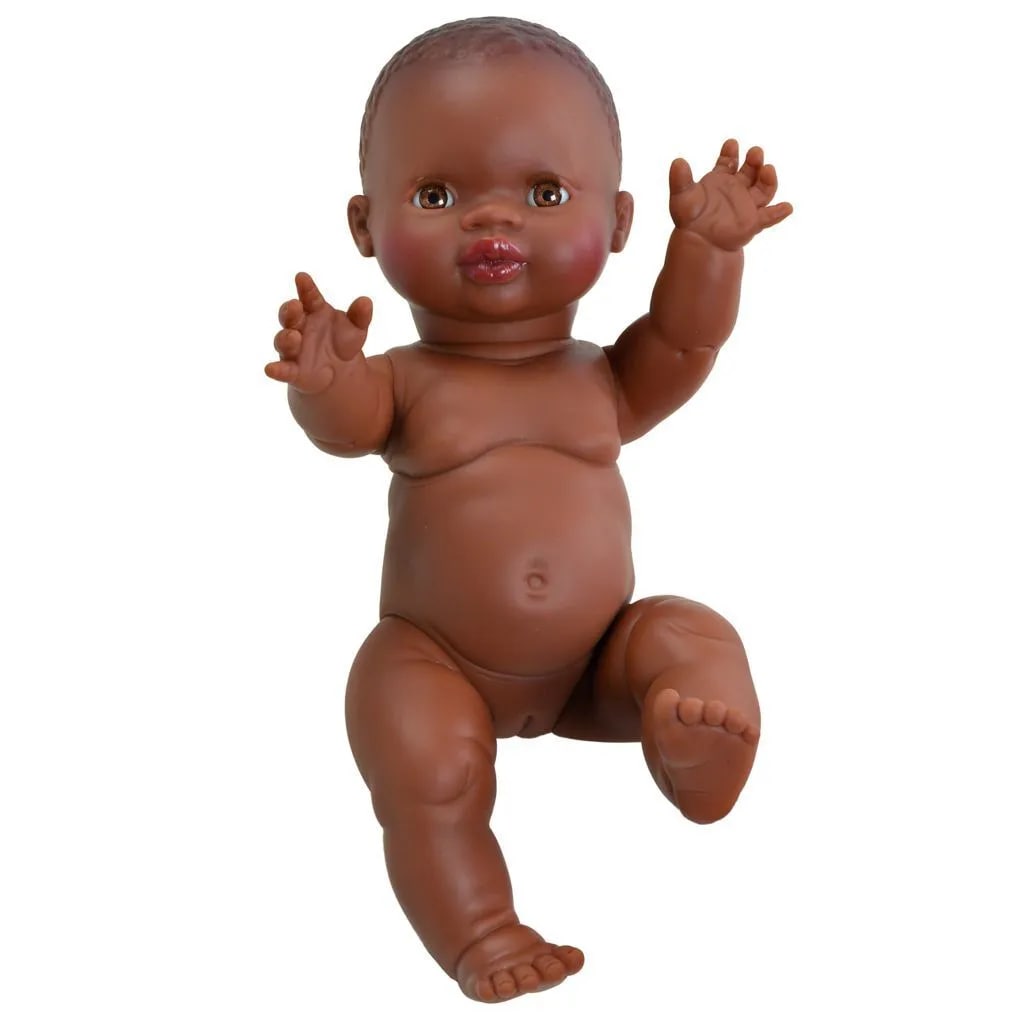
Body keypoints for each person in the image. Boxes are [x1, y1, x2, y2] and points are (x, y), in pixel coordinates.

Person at [265, 16, 791, 1003]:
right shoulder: (408, 381)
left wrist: (711, 252)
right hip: (437, 661)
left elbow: (683, 345)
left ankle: (693, 755)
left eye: (545, 193)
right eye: (436, 194)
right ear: (365, 227)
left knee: (691, 632)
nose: (491, 218)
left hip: (597, 665)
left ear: (621, 222)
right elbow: (347, 425)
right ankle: (479, 928)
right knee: (415, 743)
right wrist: (324, 380)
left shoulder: (601, 379)